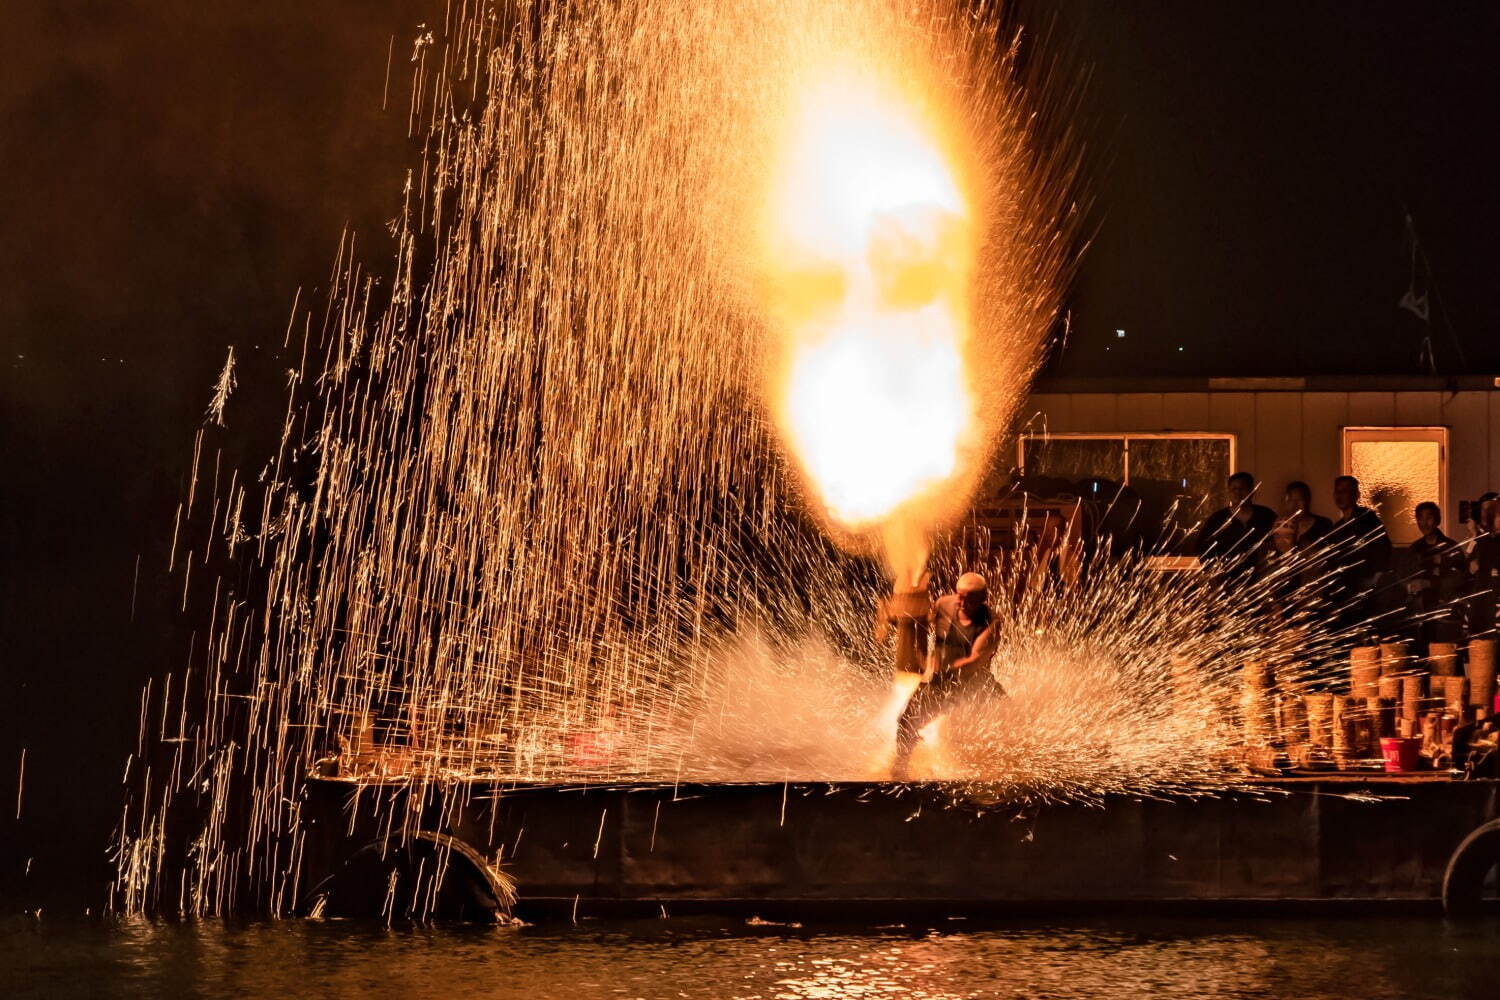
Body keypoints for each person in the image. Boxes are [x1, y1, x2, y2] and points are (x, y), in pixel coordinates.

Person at [892, 572, 1005, 780]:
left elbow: (973, 662)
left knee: (1005, 725)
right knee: (907, 722)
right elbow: (924, 622)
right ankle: (899, 771)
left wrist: (940, 668)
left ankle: (992, 776)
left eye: (969, 599)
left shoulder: (992, 623)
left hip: (975, 685)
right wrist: (905, 617)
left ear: (982, 599)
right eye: (959, 596)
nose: (961, 602)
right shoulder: (944, 604)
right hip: (942, 681)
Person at [1325, 475, 1393, 633]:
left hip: (1364, 590)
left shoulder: (1368, 519)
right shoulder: (1337, 528)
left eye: (1345, 491)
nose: (1340, 495)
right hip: (1343, 592)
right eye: (1337, 491)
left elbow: (1382, 549)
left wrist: (1374, 581)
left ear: (1356, 495)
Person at [1403, 501, 1467, 645]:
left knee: (1444, 658)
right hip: (1419, 613)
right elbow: (1404, 578)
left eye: (1429, 518)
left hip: (1444, 614)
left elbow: (1459, 580)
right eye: (1420, 518)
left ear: (1438, 520)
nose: (1424, 523)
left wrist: (1429, 584)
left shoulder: (1451, 548)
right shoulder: (1414, 549)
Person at [1193, 472, 1276, 576]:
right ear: (1229, 492)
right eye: (1234, 489)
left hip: (1260, 578)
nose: (1238, 493)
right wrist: (1212, 575)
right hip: (1226, 580)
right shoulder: (1218, 519)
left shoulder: (1266, 516)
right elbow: (1202, 550)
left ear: (1252, 491)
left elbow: (1278, 544)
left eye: (1242, 488)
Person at [1270, 481, 1333, 556]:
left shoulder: (1323, 525)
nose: (1295, 505)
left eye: (1300, 500)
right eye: (1290, 500)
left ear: (1307, 501)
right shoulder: (1280, 526)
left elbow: (1329, 554)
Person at [1467, 502, 1500, 638]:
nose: (1486, 516)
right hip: (1482, 599)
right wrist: (1474, 536)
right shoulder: (1483, 539)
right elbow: (1471, 565)